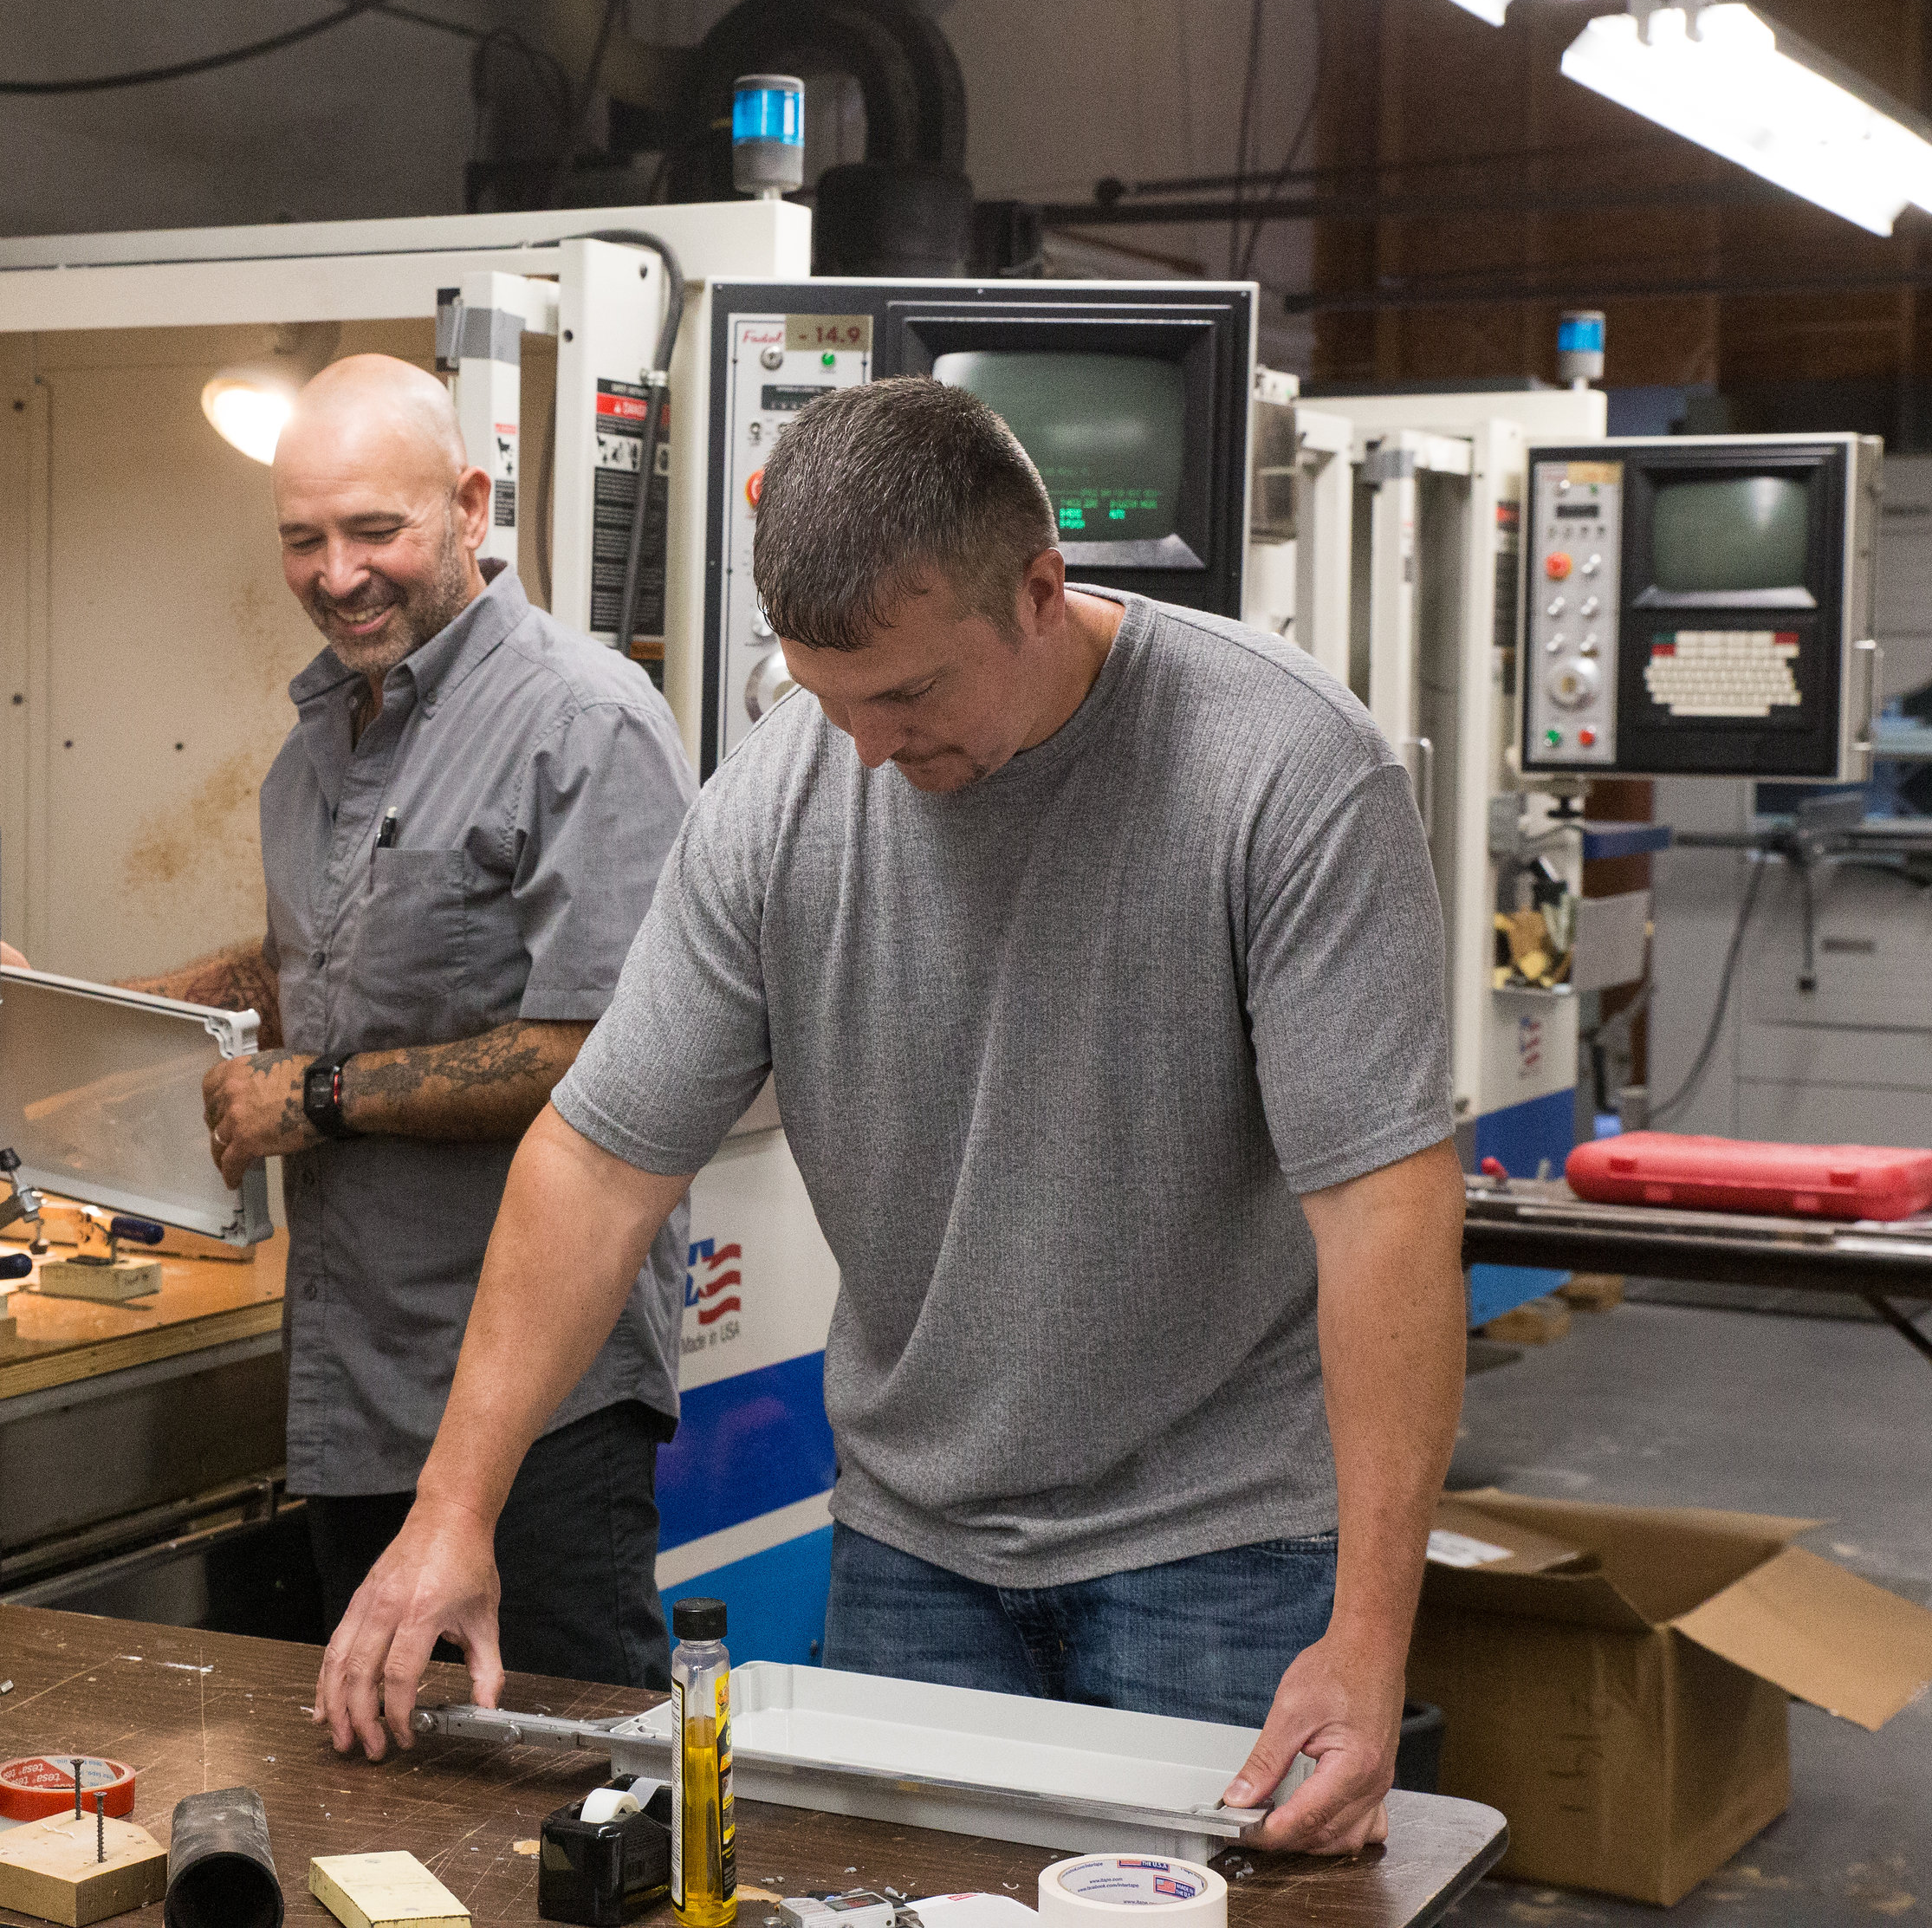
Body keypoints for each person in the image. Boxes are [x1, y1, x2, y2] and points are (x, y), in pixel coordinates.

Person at [312, 377, 1466, 1855]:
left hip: (1220, 1551)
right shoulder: (784, 797)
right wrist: (451, 1510)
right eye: (824, 697)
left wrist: (1370, 1638)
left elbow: (1386, 1217)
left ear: (1041, 592)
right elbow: (599, 1163)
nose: (863, 752)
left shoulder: (1286, 773)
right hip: (914, 1545)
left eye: (907, 696)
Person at [137, 353, 698, 1691]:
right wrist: (97, 1012)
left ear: (469, 504)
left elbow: (607, 1057)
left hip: (536, 1401)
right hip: (355, 1379)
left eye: (376, 531)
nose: (339, 575)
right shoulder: (317, 743)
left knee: (558, 1790)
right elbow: (317, 968)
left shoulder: (583, 722)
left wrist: (316, 1097)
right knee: (382, 1787)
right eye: (304, 540)